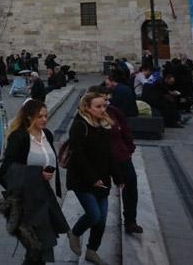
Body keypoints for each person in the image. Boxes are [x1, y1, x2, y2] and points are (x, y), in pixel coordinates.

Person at [0, 99, 69, 264]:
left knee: (41, 246)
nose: (44, 119)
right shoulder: (19, 137)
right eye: (39, 116)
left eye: (46, 116)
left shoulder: (47, 134)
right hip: (25, 201)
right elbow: (7, 170)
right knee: (35, 247)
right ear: (29, 117)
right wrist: (37, 174)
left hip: (44, 198)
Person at [66, 93, 123, 265]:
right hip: (82, 180)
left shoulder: (103, 125)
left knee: (102, 219)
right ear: (87, 108)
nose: (102, 109)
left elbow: (109, 154)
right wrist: (93, 179)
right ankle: (74, 233)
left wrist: (117, 176)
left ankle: (92, 250)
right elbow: (78, 155)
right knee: (94, 215)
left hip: (103, 179)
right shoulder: (79, 126)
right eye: (97, 106)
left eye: (103, 106)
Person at [94, 86, 142, 235]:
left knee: (131, 184)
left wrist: (129, 147)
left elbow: (125, 130)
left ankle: (130, 221)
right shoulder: (88, 117)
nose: (105, 104)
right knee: (100, 192)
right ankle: (94, 223)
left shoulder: (114, 112)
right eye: (102, 101)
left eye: (107, 100)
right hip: (101, 159)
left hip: (120, 155)